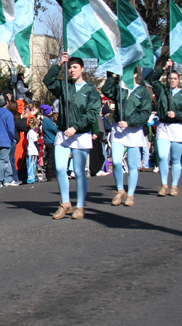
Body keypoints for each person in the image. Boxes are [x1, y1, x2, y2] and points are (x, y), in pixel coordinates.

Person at [43, 54, 101, 220]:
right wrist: (59, 64)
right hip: (63, 133)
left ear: (82, 69)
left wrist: (76, 127)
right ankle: (65, 203)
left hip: (80, 134)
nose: (72, 70)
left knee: (78, 171)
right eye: (70, 67)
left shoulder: (90, 89)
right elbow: (48, 81)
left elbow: (92, 113)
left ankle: (80, 206)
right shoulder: (64, 86)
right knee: (61, 168)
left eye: (75, 67)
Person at [101, 70, 152, 207]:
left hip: (134, 131)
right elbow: (106, 90)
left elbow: (145, 113)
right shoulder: (120, 89)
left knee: (132, 164)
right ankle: (120, 190)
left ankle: (130, 194)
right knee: (116, 161)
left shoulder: (142, 92)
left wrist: (130, 122)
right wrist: (113, 76)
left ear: (135, 74)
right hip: (119, 129)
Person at [146, 59, 182, 197]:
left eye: (175, 79)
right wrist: (164, 68)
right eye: (170, 78)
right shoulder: (162, 90)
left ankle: (174, 185)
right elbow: (152, 79)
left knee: (175, 159)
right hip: (163, 126)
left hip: (179, 128)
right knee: (162, 156)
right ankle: (164, 184)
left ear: (178, 80)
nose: (172, 81)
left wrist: (177, 114)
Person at [0, 95, 16, 188]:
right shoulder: (8, 114)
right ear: (7, 102)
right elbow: (11, 129)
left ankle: (8, 179)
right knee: (2, 160)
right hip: (5, 139)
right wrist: (11, 137)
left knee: (6, 159)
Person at [41, 105, 57, 182]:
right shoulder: (47, 121)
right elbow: (54, 129)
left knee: (52, 158)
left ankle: (52, 174)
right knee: (52, 159)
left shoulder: (47, 120)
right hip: (50, 141)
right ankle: (50, 175)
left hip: (49, 141)